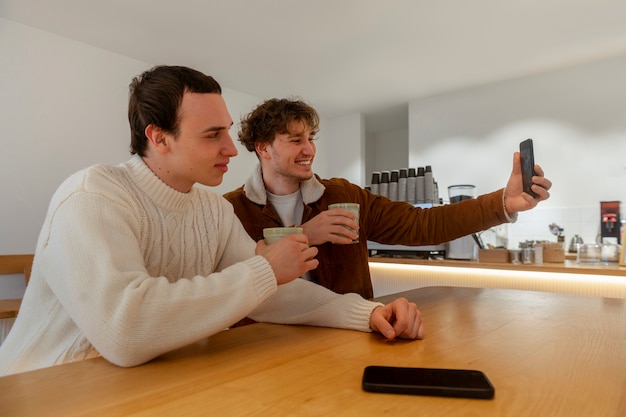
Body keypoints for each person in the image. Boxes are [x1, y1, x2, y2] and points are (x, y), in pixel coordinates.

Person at [0, 66, 423, 377]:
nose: (232, 149)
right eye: (211, 135)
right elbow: (125, 332)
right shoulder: (93, 197)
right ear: (158, 137)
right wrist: (263, 270)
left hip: (147, 381)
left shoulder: (212, 209)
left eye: (228, 131)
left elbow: (271, 294)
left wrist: (366, 313)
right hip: (43, 389)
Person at [224, 98, 552, 298]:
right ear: (263, 148)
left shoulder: (343, 195)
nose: (309, 149)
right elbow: (227, 284)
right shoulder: (230, 210)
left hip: (343, 336)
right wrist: (307, 234)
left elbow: (424, 225)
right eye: (295, 140)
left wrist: (504, 203)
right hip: (262, 345)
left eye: (311, 138)